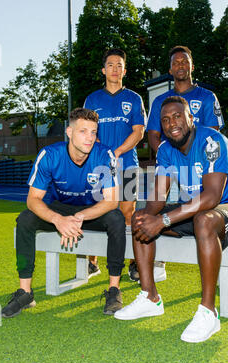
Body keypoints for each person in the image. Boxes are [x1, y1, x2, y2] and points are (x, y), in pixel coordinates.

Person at [114, 97, 228, 343]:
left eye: (177, 116)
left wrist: (164, 220)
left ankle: (208, 312)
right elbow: (158, 198)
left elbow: (211, 196)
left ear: (191, 118)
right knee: (140, 216)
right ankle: (149, 297)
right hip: (195, 212)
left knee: (204, 219)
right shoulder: (166, 150)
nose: (171, 124)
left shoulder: (212, 141)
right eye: (165, 120)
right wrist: (149, 217)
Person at [2, 108, 126, 318]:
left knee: (116, 218)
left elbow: (112, 201)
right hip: (61, 208)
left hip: (91, 210)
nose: (89, 138)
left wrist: (81, 217)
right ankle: (25, 291)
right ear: (69, 132)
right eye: (83, 131)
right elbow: (32, 200)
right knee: (25, 219)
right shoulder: (50, 155)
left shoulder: (105, 155)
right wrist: (58, 219)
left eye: (93, 132)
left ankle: (114, 289)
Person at [127, 45, 225, 284]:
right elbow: (153, 135)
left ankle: (218, 268)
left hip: (203, 170)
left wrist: (189, 157)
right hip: (174, 168)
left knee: (206, 213)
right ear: (170, 69)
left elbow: (212, 134)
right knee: (151, 206)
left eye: (185, 61)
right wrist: (170, 155)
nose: (181, 65)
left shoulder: (206, 97)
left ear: (192, 66)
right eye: (176, 62)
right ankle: (153, 266)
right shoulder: (161, 101)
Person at [84, 48, 147, 281]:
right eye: (110, 65)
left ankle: (132, 263)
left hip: (128, 165)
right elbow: (88, 131)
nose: (115, 69)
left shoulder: (134, 98)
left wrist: (117, 152)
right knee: (95, 210)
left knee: (127, 213)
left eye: (119, 65)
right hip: (99, 167)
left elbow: (138, 132)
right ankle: (92, 262)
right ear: (103, 70)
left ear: (125, 70)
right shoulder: (92, 99)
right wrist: (104, 153)